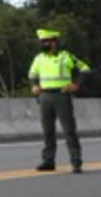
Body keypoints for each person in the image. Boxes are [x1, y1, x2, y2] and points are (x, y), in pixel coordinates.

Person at [28, 28, 90, 174]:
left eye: (46, 41)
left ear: (54, 42)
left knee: (69, 130)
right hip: (45, 96)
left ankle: (76, 162)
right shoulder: (39, 58)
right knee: (47, 131)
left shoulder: (65, 56)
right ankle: (48, 161)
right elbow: (32, 74)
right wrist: (34, 85)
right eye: (42, 42)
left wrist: (76, 85)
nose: (43, 44)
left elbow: (85, 68)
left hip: (62, 96)